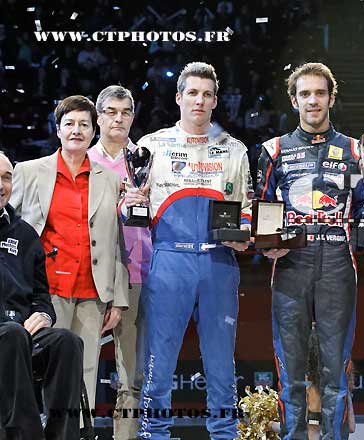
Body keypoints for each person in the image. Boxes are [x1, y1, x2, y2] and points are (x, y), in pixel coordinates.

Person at [122, 62, 252, 440]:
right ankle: (154, 433)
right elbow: (131, 208)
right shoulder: (152, 146)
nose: (199, 100)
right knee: (159, 358)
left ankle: (224, 433)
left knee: (221, 361)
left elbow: (246, 210)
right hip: (169, 260)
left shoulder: (234, 149)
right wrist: (129, 204)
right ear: (179, 97)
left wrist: (244, 233)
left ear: (215, 101)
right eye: (192, 93)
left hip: (218, 261)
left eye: (207, 94)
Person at [256, 62, 364, 440]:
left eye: (320, 93)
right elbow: (262, 209)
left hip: (338, 263)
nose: (313, 100)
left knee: (335, 369)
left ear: (331, 99)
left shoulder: (355, 151)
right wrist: (265, 244)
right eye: (305, 94)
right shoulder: (274, 151)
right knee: (291, 369)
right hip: (290, 265)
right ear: (294, 100)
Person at [10, 95, 129, 413]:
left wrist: (118, 298)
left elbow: (115, 240)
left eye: (84, 124)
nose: (76, 130)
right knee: (41, 369)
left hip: (93, 292)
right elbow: (9, 227)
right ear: (58, 129)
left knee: (85, 372)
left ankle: (77, 432)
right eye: (70, 124)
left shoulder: (110, 179)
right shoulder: (29, 171)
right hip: (46, 293)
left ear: (93, 131)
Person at [0, 150, 84, 440]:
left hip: (21, 333)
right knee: (12, 335)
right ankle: (26, 434)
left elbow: (41, 295)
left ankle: (63, 435)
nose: (1, 185)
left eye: (6, 178)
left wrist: (44, 314)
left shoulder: (24, 234)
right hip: (8, 334)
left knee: (67, 342)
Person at [88, 85, 152, 440]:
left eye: (125, 112)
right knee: (81, 368)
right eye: (111, 112)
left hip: (140, 274)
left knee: (132, 375)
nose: (118, 118)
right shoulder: (83, 160)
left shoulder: (148, 159)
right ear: (98, 118)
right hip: (92, 277)